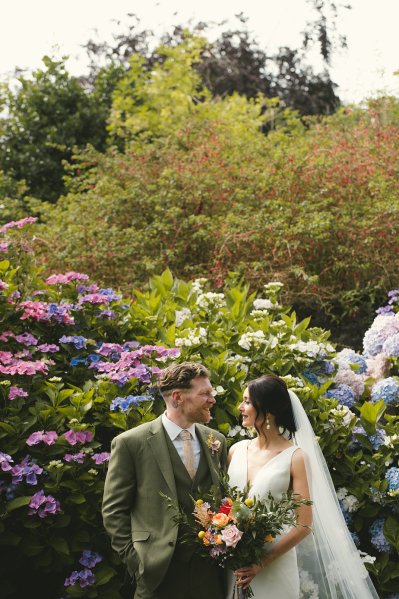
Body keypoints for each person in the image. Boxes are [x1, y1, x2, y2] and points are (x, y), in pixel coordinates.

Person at [227, 374, 380, 599]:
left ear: (268, 411)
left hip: (273, 565)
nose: (240, 407)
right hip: (233, 565)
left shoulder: (295, 457)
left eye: (247, 401)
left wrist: (261, 562)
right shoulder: (235, 450)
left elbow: (304, 524)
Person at [102, 362, 227, 599]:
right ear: (178, 397)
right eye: (205, 393)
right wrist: (138, 564)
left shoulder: (216, 441)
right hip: (157, 575)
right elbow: (113, 510)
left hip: (209, 575)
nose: (213, 399)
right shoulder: (131, 443)